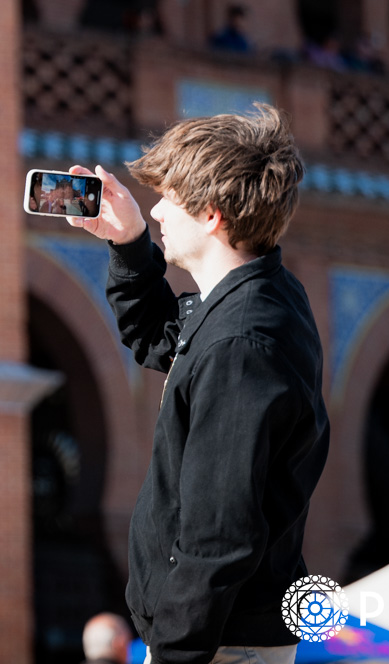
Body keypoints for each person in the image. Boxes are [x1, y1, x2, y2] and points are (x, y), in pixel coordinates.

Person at [64, 105, 329, 664]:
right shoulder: (257, 297)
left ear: (211, 215)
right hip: (222, 637)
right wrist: (130, 240)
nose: (158, 209)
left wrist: (174, 652)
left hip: (222, 644)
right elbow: (159, 337)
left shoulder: (241, 344)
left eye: (170, 198)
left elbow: (219, 535)